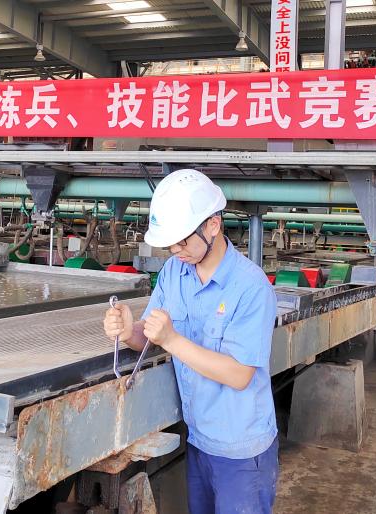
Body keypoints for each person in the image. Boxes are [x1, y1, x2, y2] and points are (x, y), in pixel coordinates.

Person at [103, 169, 279, 514]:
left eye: (182, 240)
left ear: (213, 225)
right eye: (169, 243)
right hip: (199, 438)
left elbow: (239, 374)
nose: (175, 250)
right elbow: (150, 335)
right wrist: (127, 330)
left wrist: (171, 339)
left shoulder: (251, 287)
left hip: (242, 452)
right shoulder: (174, 271)